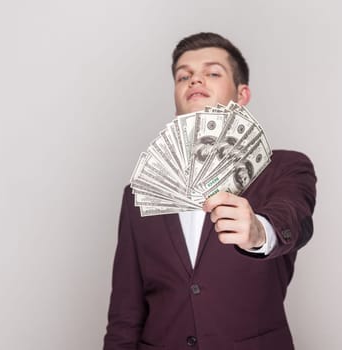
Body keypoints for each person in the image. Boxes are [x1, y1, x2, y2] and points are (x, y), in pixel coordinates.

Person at [103, 32, 317, 350]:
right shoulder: (139, 194)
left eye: (213, 72)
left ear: (242, 94)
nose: (195, 80)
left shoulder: (285, 168)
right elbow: (125, 312)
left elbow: (295, 218)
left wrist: (260, 232)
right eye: (183, 76)